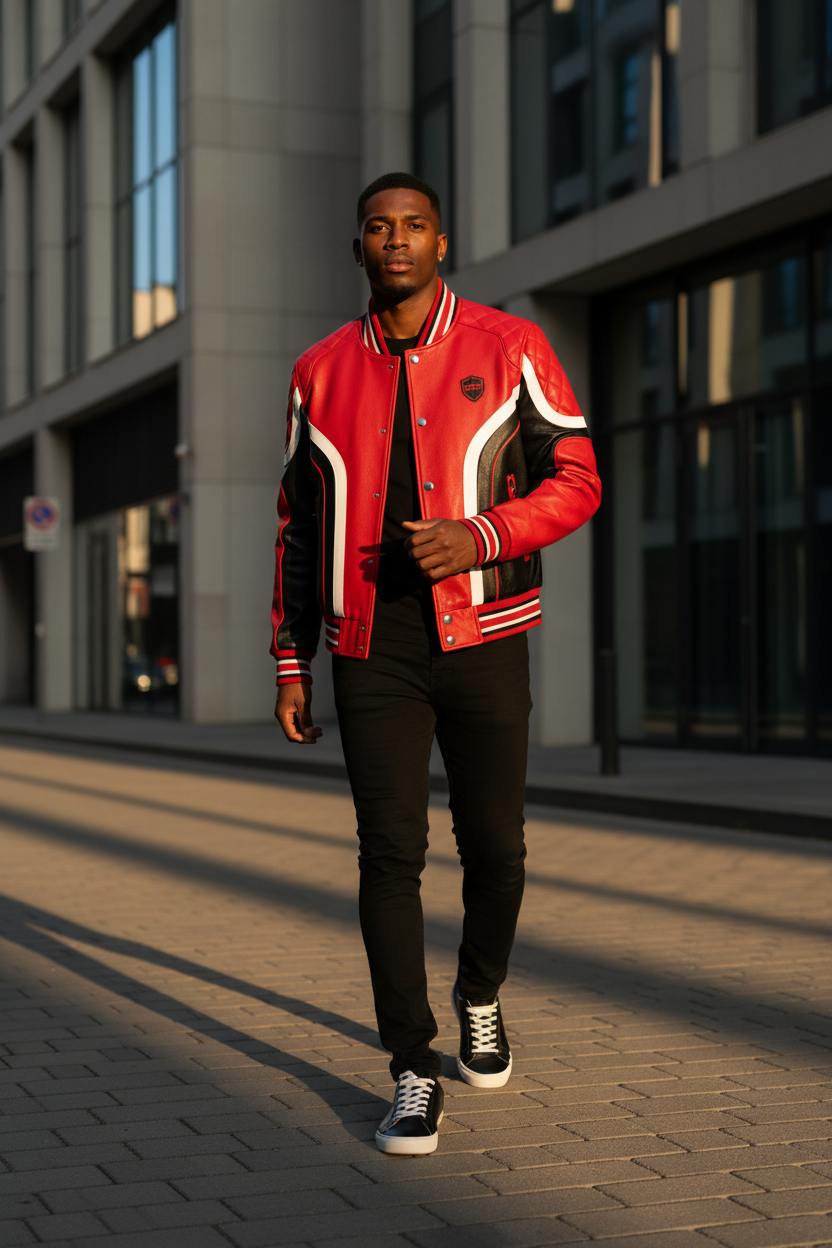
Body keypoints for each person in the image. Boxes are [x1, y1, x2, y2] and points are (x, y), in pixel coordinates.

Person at [271, 172, 601, 1156]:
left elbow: (577, 476)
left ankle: (480, 993)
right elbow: (297, 526)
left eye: (414, 226)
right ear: (359, 249)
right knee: (389, 853)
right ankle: (412, 1067)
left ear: (441, 244)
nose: (397, 241)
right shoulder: (317, 371)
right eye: (379, 228)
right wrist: (291, 657)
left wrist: (484, 533)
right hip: (371, 649)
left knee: (497, 845)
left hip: (487, 633)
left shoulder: (511, 347)